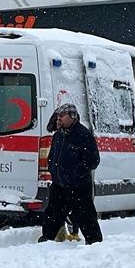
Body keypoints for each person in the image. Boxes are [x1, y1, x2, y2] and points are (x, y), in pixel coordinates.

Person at [39, 103, 103, 245]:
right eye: (58, 116)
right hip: (59, 185)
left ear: (72, 117)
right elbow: (52, 156)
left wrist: (75, 173)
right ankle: (47, 241)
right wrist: (53, 170)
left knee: (86, 217)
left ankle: (95, 243)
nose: (59, 118)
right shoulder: (58, 135)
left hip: (79, 186)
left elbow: (93, 160)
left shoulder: (83, 135)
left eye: (62, 115)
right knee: (52, 215)